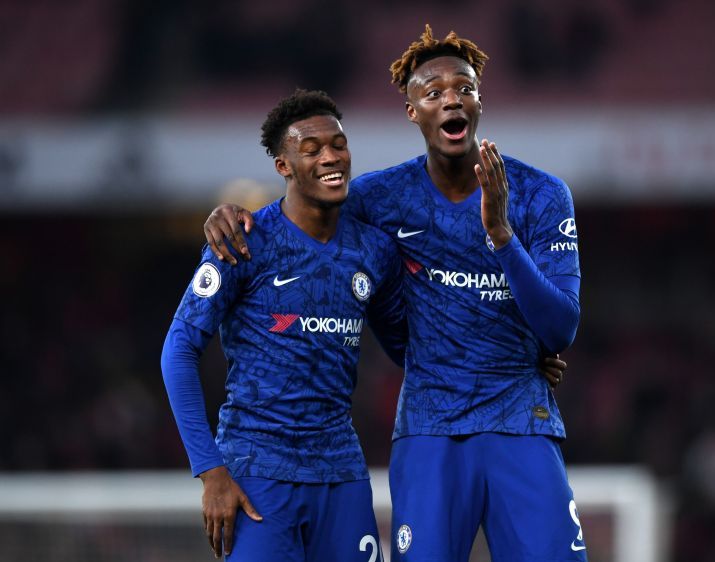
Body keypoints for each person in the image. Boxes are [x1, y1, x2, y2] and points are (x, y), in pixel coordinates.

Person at [202, 26, 586, 562]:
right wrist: (237, 215)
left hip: (521, 418)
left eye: (464, 87)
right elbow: (303, 205)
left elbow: (560, 327)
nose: (451, 98)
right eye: (433, 92)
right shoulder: (378, 198)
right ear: (413, 111)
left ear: (479, 101)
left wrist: (501, 237)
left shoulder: (541, 195)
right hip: (431, 426)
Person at [161, 89, 409, 561]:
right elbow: (177, 350)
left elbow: (409, 346)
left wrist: (518, 352)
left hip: (341, 472)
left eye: (338, 144)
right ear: (284, 166)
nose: (330, 157)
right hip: (257, 472)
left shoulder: (374, 250)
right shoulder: (243, 241)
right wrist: (211, 470)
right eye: (311, 150)